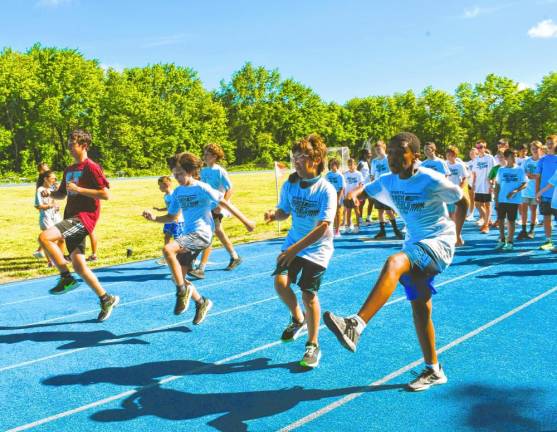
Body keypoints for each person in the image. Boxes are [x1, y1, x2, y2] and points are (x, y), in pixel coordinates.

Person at [323, 132, 467, 391]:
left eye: (400, 151)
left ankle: (356, 324)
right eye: (389, 152)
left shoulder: (429, 179)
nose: (392, 157)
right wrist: (353, 196)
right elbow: (364, 190)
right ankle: (434, 370)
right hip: (414, 245)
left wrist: (456, 234)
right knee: (420, 309)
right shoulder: (388, 181)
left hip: (438, 244)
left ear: (415, 156)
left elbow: (463, 200)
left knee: (394, 262)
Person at [142, 151, 255, 324]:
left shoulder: (201, 187)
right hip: (189, 236)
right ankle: (201, 302)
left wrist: (246, 221)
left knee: (168, 249)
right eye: (175, 175)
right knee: (177, 276)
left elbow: (223, 202)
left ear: (190, 171)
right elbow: (172, 217)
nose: (178, 177)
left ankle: (181, 292)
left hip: (202, 234)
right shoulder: (178, 193)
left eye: (180, 174)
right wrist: (154, 218)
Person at [264, 134, 336, 368]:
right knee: (280, 283)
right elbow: (285, 211)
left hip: (317, 249)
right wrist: (275, 214)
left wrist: (294, 250)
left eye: (300, 156)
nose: (295, 160)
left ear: (315, 159)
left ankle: (313, 344)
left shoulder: (326, 190)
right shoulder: (290, 185)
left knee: (308, 294)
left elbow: (324, 228)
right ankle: (298, 318)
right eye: (293, 156)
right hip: (294, 243)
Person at [38, 129, 118, 322]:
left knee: (44, 237)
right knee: (80, 266)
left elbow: (106, 194)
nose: (68, 146)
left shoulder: (91, 167)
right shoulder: (68, 169)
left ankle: (66, 277)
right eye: (68, 142)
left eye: (72, 142)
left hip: (84, 218)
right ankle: (106, 298)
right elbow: (63, 194)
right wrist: (52, 194)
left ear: (84, 145)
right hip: (71, 216)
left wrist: (80, 189)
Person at [188, 144, 241, 280]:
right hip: (206, 207)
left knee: (208, 235)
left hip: (217, 207)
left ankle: (201, 268)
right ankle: (234, 257)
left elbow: (230, 189)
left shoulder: (220, 171)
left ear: (215, 156)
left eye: (207, 154)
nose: (204, 157)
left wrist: (221, 205)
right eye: (204, 154)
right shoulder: (204, 171)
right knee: (218, 232)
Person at [369, 140, 403, 240]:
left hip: (388, 188)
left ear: (384, 148)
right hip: (378, 189)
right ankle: (382, 231)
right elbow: (372, 175)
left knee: (388, 211)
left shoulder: (388, 159)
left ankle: (396, 230)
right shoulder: (374, 161)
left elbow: (394, 173)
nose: (377, 151)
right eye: (376, 149)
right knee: (380, 211)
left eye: (379, 148)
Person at [494, 149, 527, 251]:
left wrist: (515, 191)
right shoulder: (501, 170)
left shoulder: (520, 170)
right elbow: (497, 185)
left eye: (514, 156)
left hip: (513, 201)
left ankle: (510, 242)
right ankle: (502, 240)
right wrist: (496, 199)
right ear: (506, 158)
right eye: (511, 156)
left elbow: (524, 183)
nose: (514, 158)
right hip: (502, 199)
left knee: (511, 221)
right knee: (500, 220)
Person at [153, 176, 185, 265]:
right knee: (167, 236)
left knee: (178, 240)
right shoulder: (166, 195)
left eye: (160, 186)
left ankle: (184, 258)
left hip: (177, 220)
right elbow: (170, 207)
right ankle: (166, 256)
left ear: (166, 184)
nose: (159, 188)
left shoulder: (173, 194)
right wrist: (160, 209)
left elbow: (179, 207)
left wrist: (177, 218)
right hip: (169, 220)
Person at [34, 170, 63, 266]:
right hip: (46, 218)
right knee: (49, 240)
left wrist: (56, 203)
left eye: (55, 178)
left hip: (56, 216)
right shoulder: (40, 190)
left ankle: (60, 258)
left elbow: (60, 196)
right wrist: (50, 205)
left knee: (62, 238)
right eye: (52, 178)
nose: (54, 180)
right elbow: (38, 206)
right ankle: (50, 262)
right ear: (46, 179)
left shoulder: (53, 188)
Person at [517, 141, 543, 240]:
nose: (535, 150)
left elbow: (540, 176)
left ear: (540, 149)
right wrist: (532, 176)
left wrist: (531, 176)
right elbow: (522, 173)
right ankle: (523, 230)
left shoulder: (542, 161)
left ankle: (531, 230)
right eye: (533, 148)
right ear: (530, 150)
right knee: (523, 211)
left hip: (536, 191)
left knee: (533, 211)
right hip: (525, 190)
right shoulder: (526, 161)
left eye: (537, 148)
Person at [536, 135, 557, 250]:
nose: (549, 145)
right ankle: (548, 241)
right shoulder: (542, 160)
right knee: (546, 218)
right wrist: (537, 192)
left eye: (551, 143)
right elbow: (538, 178)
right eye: (547, 143)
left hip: (556, 196)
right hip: (545, 195)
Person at [471, 140, 495, 234]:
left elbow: (494, 172)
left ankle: (486, 225)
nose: (479, 149)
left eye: (481, 147)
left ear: (485, 147)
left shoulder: (490, 158)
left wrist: (492, 184)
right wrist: (473, 184)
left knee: (488, 205)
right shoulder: (476, 159)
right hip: (478, 185)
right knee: (477, 204)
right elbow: (474, 173)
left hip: (487, 185)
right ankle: (487, 220)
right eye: (477, 147)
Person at [33, 162, 54, 259]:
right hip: (45, 207)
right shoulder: (40, 181)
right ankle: (48, 257)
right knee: (49, 234)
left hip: (53, 210)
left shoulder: (50, 176)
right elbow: (38, 200)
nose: (45, 169)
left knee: (52, 233)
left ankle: (40, 251)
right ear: (40, 171)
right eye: (43, 169)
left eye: (46, 168)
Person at [445, 146, 468, 222]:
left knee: (455, 211)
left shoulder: (460, 165)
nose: (448, 157)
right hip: (447, 191)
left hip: (456, 191)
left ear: (455, 155)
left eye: (450, 155)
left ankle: (455, 229)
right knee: (448, 212)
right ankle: (450, 229)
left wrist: (460, 188)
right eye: (447, 155)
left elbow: (465, 178)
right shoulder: (444, 164)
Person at [325, 158, 346, 237]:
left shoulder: (340, 175)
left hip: (338, 194)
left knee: (338, 212)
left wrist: (338, 199)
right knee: (331, 213)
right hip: (330, 195)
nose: (332, 166)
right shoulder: (328, 175)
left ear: (337, 165)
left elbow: (341, 188)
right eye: (330, 165)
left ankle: (337, 230)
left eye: (333, 165)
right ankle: (333, 229)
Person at [342, 158, 364, 234]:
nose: (351, 166)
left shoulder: (359, 174)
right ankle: (348, 226)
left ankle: (357, 226)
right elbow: (343, 186)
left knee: (356, 211)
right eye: (349, 164)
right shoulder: (345, 174)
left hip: (355, 195)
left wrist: (354, 193)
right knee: (348, 211)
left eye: (352, 164)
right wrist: (345, 195)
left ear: (355, 165)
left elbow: (361, 186)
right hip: (347, 196)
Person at [357, 148, 373, 225]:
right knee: (362, 202)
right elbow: (357, 173)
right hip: (363, 186)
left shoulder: (368, 162)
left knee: (371, 201)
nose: (370, 155)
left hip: (369, 185)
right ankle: (360, 219)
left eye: (370, 153)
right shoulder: (361, 163)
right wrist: (359, 185)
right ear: (364, 154)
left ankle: (368, 217)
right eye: (368, 153)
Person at [466, 148, 478, 221]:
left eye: (473, 153)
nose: (472, 155)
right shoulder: (469, 163)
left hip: (477, 184)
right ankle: (471, 213)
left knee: (478, 201)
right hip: (470, 183)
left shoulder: (478, 162)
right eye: (470, 153)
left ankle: (483, 216)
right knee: (471, 199)